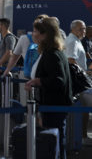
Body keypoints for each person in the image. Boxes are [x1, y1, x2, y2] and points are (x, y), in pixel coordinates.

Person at [25, 17, 73, 159]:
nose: (33, 34)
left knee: (54, 142)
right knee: (56, 141)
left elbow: (59, 80)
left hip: (54, 106)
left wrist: (39, 81)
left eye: (35, 31)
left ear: (44, 34)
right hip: (53, 106)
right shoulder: (53, 52)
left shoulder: (52, 54)